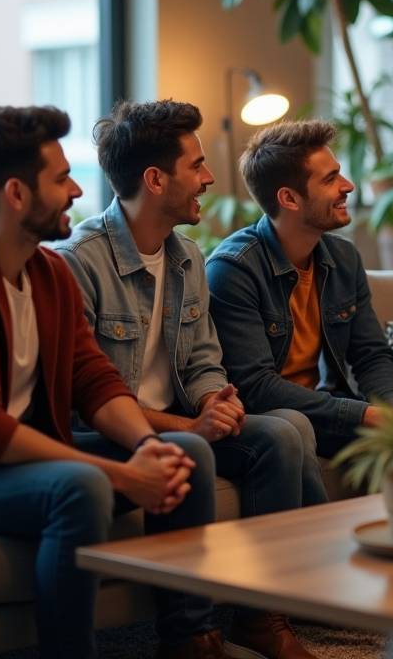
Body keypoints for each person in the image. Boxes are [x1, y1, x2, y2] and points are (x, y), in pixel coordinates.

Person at [0, 106, 225, 659]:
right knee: (78, 486)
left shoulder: (49, 273)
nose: (78, 190)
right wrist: (121, 474)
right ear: (16, 194)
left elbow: (94, 381)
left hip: (28, 453)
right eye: (61, 180)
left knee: (186, 454)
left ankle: (189, 640)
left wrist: (149, 449)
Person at [55, 100, 326, 659]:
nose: (208, 179)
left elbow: (203, 360)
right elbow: (83, 399)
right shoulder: (77, 262)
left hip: (181, 419)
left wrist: (214, 402)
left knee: (278, 433)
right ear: (155, 180)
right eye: (196, 166)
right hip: (105, 432)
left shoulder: (187, 258)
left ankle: (259, 615)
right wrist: (188, 424)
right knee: (190, 448)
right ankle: (190, 633)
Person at [207, 120, 393, 458]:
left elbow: (371, 354)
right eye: (330, 179)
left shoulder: (343, 257)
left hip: (321, 409)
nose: (348, 186)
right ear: (289, 198)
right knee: (296, 430)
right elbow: (255, 388)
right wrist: (367, 415)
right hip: (266, 419)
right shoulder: (234, 268)